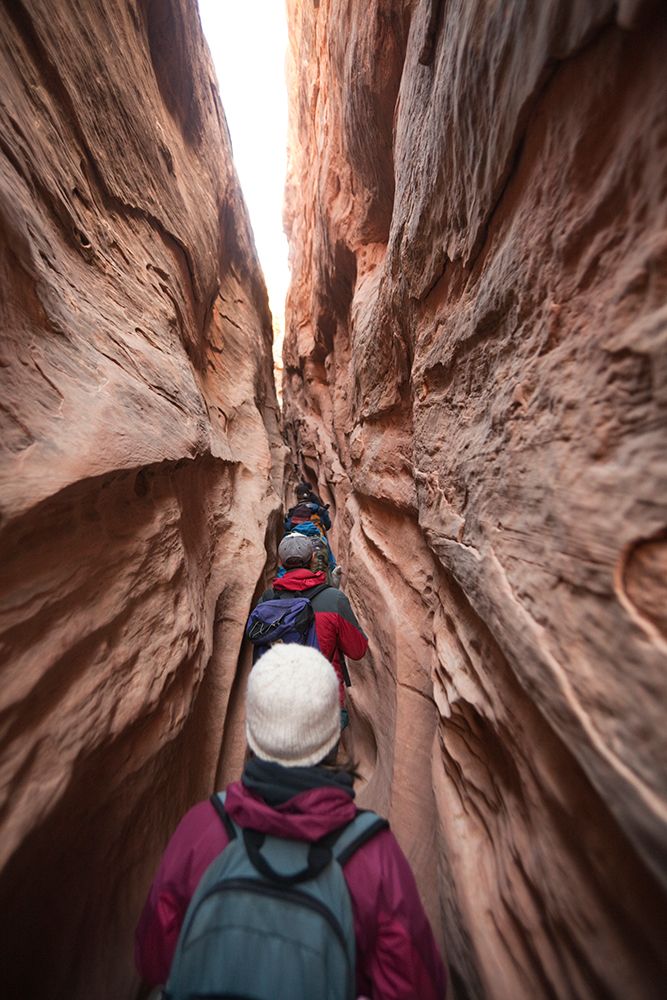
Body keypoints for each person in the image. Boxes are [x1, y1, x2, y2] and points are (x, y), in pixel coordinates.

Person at [135, 645, 447, 999]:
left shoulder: (203, 827)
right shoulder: (374, 857)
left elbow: (154, 960)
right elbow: (414, 987)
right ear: (333, 732)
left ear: (252, 729)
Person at [262, 533, 367, 722]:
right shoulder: (334, 599)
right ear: (312, 558)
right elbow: (357, 650)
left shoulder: (268, 601)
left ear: (281, 562)